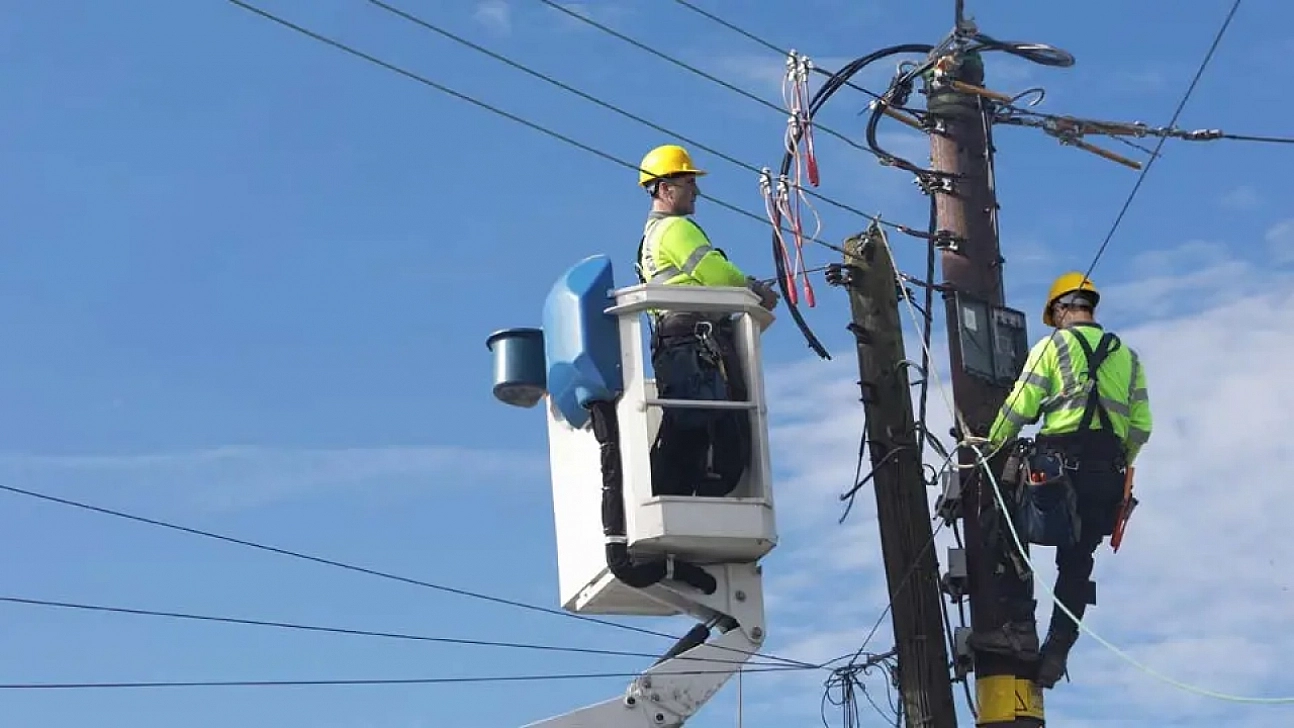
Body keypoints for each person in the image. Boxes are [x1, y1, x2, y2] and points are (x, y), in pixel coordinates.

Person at [983, 271, 1152, 688]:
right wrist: (1118, 462)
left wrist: (989, 445)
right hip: (1107, 478)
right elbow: (1141, 426)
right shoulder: (1128, 357)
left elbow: (1020, 405)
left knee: (1002, 517)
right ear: (1089, 307)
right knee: (1077, 563)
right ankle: (1057, 647)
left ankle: (1020, 624)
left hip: (1057, 471)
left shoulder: (1052, 346)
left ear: (1060, 310)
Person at [633, 144, 778, 498]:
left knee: (691, 432)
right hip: (694, 346)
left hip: (676, 347)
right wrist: (754, 289)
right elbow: (716, 274)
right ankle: (689, 499)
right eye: (688, 182)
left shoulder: (650, 239)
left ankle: (675, 499)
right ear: (666, 189)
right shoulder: (676, 229)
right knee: (719, 433)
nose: (696, 190)